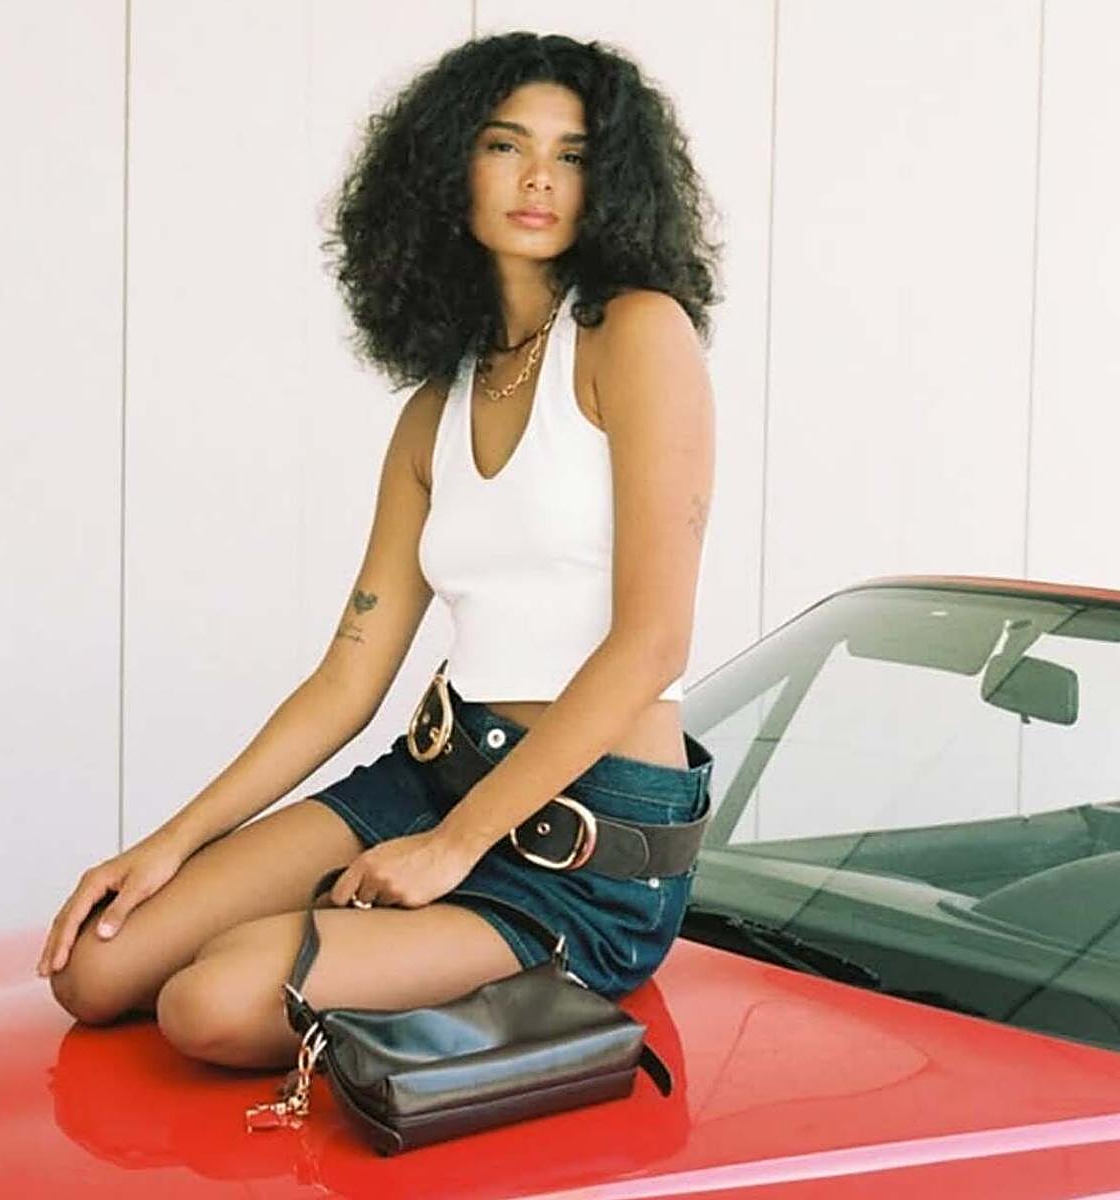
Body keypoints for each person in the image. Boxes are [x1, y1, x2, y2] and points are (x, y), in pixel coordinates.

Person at [36, 29, 724, 1072]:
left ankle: (440, 950)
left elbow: (653, 642)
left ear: (613, 182)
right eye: (505, 145)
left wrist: (454, 850)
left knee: (210, 1001)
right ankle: (363, 941)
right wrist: (170, 844)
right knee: (96, 965)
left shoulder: (637, 335)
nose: (539, 177)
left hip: (586, 839)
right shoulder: (432, 413)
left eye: (574, 154)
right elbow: (347, 678)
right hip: (437, 774)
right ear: (448, 170)